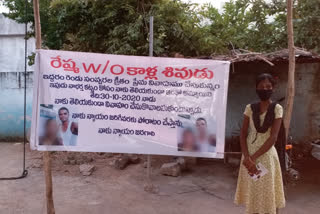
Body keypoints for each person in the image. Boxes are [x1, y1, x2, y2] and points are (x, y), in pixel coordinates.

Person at [234, 73, 285, 214]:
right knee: (253, 191)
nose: (264, 89)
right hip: (248, 155)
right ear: (256, 88)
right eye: (261, 86)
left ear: (273, 88)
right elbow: (243, 133)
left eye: (268, 86)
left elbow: (273, 137)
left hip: (266, 156)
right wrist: (246, 156)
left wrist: (253, 158)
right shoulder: (250, 108)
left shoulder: (277, 109)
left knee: (268, 192)